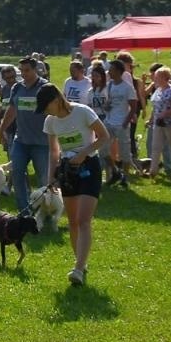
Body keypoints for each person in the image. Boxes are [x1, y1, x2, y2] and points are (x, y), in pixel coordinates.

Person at [36, 84, 110, 286]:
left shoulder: (83, 112)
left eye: (46, 106)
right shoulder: (50, 122)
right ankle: (81, 263)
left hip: (89, 167)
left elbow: (104, 137)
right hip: (68, 171)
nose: (45, 111)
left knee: (84, 219)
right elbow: (53, 151)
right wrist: (50, 178)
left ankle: (78, 268)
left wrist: (83, 153)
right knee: (73, 222)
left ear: (56, 100)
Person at [0, 57, 51, 212]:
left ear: (36, 69)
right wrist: (2, 129)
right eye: (21, 71)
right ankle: (24, 211)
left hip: (41, 142)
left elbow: (55, 112)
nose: (24, 74)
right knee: (16, 174)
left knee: (43, 178)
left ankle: (45, 211)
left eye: (27, 70)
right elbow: (12, 110)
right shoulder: (17, 88)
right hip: (20, 140)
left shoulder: (45, 87)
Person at [101, 60, 136, 187]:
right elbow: (109, 102)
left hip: (121, 124)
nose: (109, 71)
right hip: (109, 122)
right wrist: (106, 106)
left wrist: (126, 122)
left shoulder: (127, 87)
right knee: (103, 150)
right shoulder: (110, 85)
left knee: (124, 153)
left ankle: (124, 178)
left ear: (119, 71)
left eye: (111, 69)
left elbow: (133, 106)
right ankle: (115, 172)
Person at [147, 67, 171, 181]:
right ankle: (153, 171)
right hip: (158, 123)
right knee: (155, 147)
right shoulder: (158, 90)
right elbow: (155, 107)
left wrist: (165, 114)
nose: (155, 78)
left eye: (157, 76)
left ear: (164, 78)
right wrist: (152, 118)